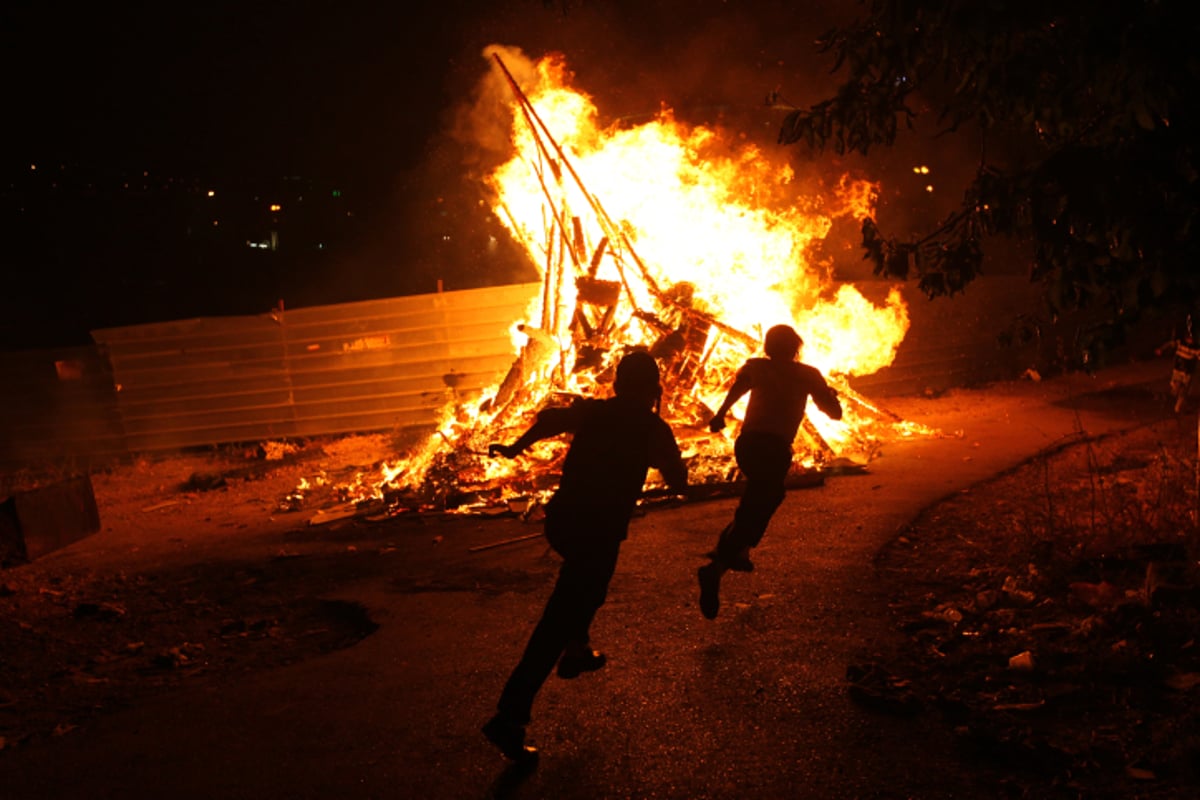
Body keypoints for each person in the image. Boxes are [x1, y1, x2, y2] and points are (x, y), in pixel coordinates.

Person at [481, 350, 688, 764]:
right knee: (559, 619)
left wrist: (513, 448)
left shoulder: (595, 413)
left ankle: (577, 646)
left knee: (592, 588)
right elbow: (678, 480)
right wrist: (671, 472)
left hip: (563, 523)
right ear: (653, 390)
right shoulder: (651, 427)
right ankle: (509, 716)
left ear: (616, 386)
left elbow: (549, 420)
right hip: (598, 531)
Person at [698, 324, 842, 620]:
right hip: (774, 448)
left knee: (760, 498)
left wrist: (720, 414)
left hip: (747, 446)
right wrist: (831, 396)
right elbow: (834, 413)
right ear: (796, 347)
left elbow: (737, 388)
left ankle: (736, 553)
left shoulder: (757, 368)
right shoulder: (807, 375)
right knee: (765, 497)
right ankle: (718, 564)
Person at [1155, 325, 1200, 413]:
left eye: (1192, 338)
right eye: (1189, 338)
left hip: (1187, 372)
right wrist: (1161, 349)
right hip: (1178, 370)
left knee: (1184, 391)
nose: (1190, 340)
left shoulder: (1196, 348)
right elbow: (1170, 344)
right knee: (1176, 386)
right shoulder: (1180, 343)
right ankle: (1173, 398)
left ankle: (1179, 407)